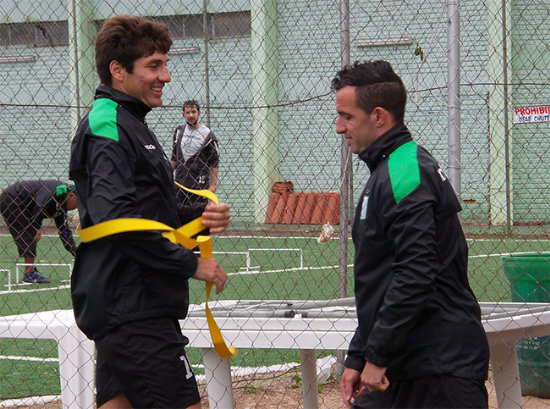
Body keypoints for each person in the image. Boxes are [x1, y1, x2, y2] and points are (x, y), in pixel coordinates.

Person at [68, 15, 230, 409]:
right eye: (154, 66)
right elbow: (114, 221)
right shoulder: (108, 124)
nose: (167, 76)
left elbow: (150, 211)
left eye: (165, 64)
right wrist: (190, 264)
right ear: (117, 71)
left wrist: (200, 218)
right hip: (133, 307)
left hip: (129, 301)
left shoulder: (131, 122)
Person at [332, 60, 490, 409]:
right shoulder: (388, 169)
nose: (339, 127)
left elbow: (415, 274)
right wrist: (358, 355)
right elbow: (382, 280)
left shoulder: (405, 173)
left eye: (346, 116)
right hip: (402, 364)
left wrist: (377, 356)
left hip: (436, 369)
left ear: (378, 116)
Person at [0, 179, 77, 284]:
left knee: (31, 231)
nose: (77, 207)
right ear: (71, 195)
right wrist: (37, 227)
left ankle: (30, 270)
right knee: (30, 233)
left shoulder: (61, 206)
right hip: (12, 198)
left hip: (25, 206)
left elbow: (64, 231)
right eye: (78, 204)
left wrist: (77, 254)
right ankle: (29, 274)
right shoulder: (55, 189)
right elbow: (40, 204)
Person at [171, 99, 219, 206]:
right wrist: (167, 176)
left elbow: (214, 161)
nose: (191, 115)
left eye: (193, 112)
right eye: (187, 113)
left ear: (199, 113)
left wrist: (213, 184)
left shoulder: (208, 135)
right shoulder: (179, 131)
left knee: (199, 216)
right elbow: (174, 157)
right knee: (179, 215)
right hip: (180, 183)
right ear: (183, 114)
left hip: (199, 185)